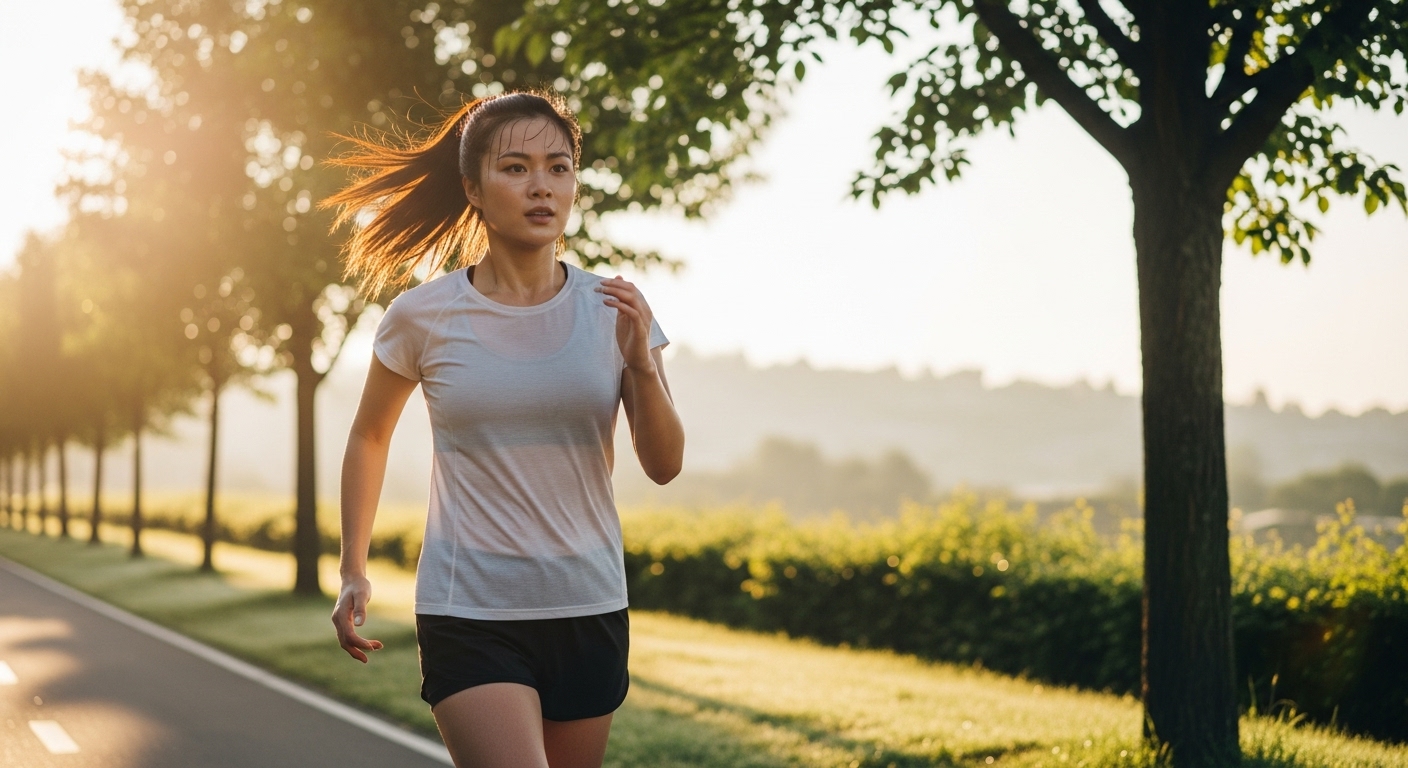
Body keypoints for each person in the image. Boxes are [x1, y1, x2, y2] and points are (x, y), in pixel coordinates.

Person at [324, 91, 684, 768]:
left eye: (559, 167)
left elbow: (664, 463)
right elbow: (369, 436)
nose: (542, 186)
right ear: (474, 189)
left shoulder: (616, 311)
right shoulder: (422, 316)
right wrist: (353, 570)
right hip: (470, 610)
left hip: (588, 603)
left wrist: (640, 365)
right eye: (515, 168)